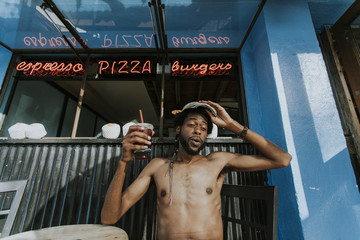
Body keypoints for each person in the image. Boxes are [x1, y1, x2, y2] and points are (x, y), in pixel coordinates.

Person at [101, 100, 292, 240]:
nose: (198, 130)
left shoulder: (217, 161)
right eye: (192, 124)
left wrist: (232, 125)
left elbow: (282, 159)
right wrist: (124, 162)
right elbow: (109, 217)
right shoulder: (157, 166)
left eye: (203, 127)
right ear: (178, 129)